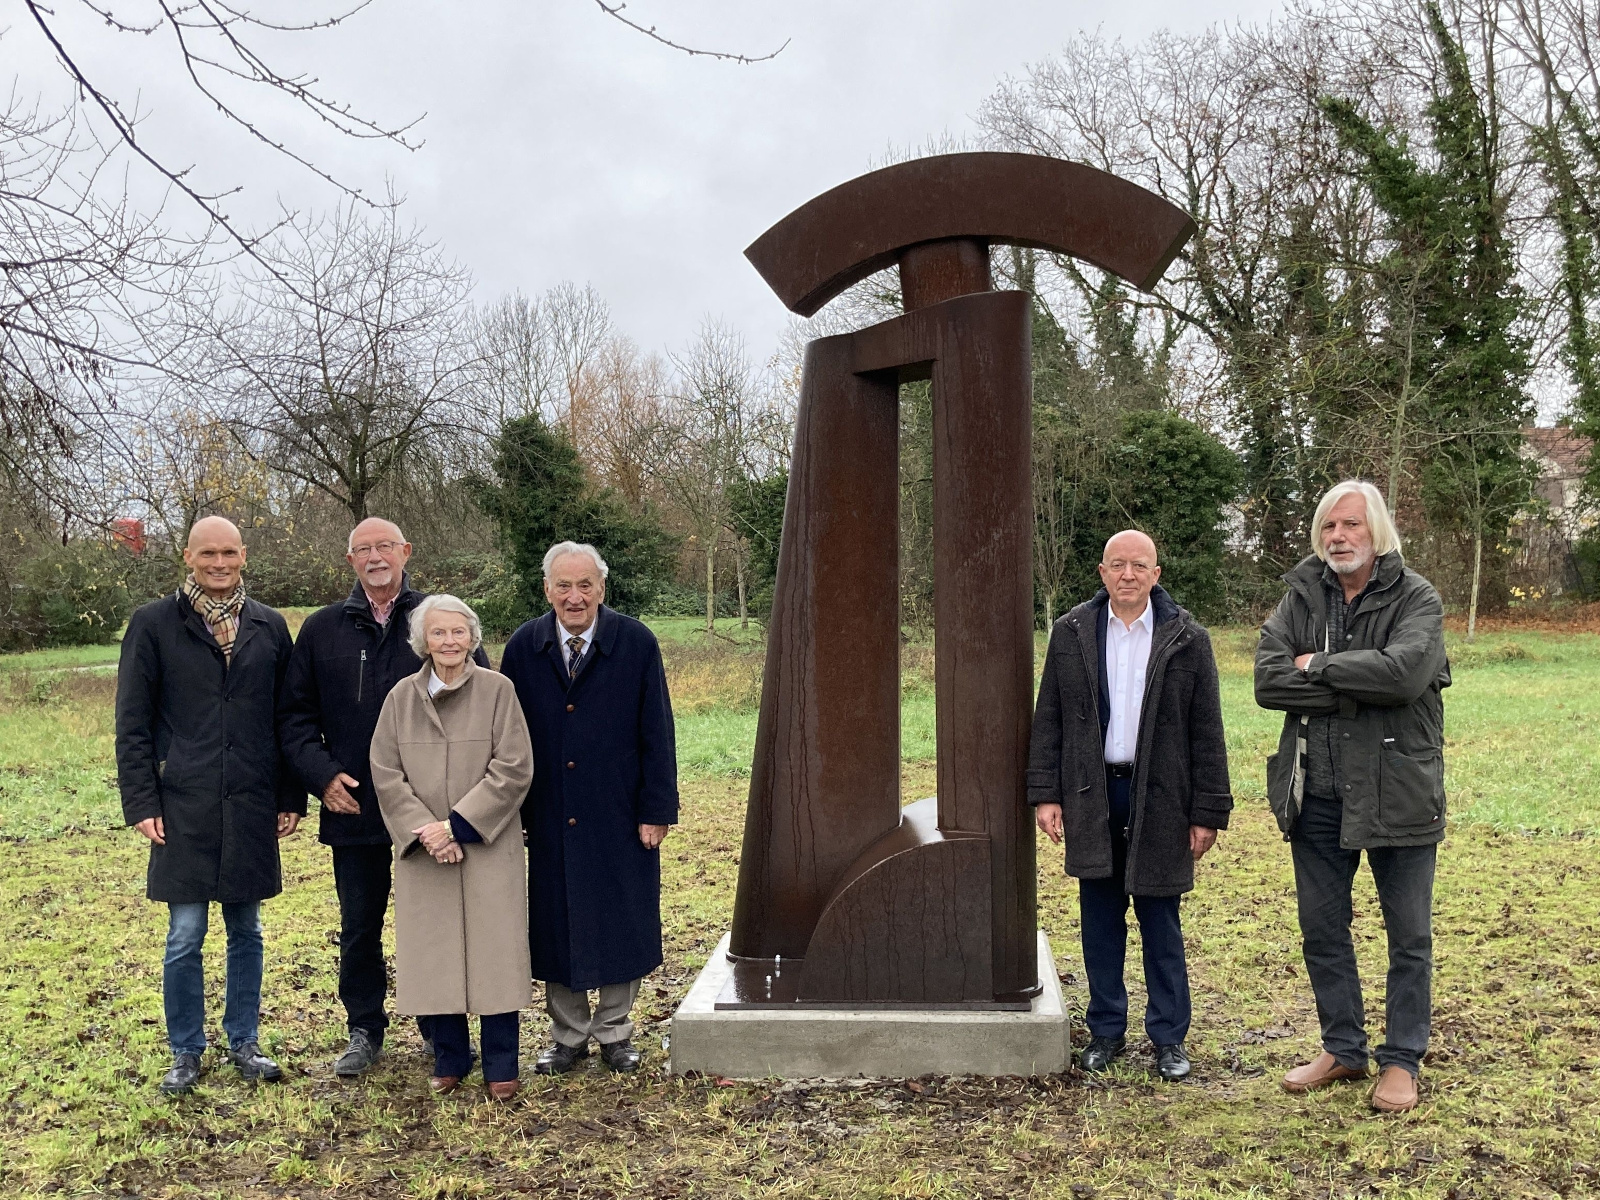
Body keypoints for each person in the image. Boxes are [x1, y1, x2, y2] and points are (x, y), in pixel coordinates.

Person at [1255, 480, 1449, 1115]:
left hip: (1399, 792)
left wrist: (1317, 665)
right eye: (1329, 527)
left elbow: (1406, 674)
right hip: (1315, 791)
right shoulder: (1300, 594)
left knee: (1408, 935)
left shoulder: (1416, 596)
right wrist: (1351, 678)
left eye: (1352, 527)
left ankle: (1401, 1061)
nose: (1339, 537)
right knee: (1322, 929)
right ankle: (1343, 1047)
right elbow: (1267, 680)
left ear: (1377, 532)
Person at [279, 518, 489, 1076]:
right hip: (356, 808)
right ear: (350, 560)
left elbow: (481, 706)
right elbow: (293, 717)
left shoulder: (438, 620)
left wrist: (462, 806)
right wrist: (321, 777)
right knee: (360, 923)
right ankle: (365, 1029)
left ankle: (437, 1026)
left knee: (434, 921)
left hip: (433, 814)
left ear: (406, 552)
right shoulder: (323, 630)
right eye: (363, 549)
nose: (376, 557)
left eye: (385, 547)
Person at [1027, 530, 1232, 1082]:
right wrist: (1046, 793)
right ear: (1101, 573)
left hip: (1162, 796)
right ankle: (1106, 1031)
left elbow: (1206, 731)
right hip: (1094, 793)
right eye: (1117, 565)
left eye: (1139, 565)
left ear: (1156, 574)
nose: (1128, 575)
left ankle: (1168, 1038)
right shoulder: (1071, 633)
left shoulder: (1187, 638)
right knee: (1100, 917)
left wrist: (1208, 811)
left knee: (1160, 917)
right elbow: (1049, 719)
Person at [115, 516, 304, 1095]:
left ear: (243, 555)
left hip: (250, 800)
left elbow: (288, 720)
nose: (218, 564)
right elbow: (133, 723)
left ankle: (244, 1040)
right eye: (207, 554)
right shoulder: (152, 624)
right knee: (185, 933)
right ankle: (186, 1050)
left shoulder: (270, 626)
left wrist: (289, 795)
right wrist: (142, 799)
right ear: (188, 557)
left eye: (228, 553)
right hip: (184, 802)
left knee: (247, 929)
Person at [499, 541, 678, 1075]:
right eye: (563, 585)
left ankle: (616, 1032)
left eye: (585, 586)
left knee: (622, 915)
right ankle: (567, 1034)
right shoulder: (524, 646)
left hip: (619, 809)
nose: (574, 597)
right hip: (548, 810)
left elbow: (658, 732)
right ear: (547, 589)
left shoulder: (636, 642)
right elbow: (507, 738)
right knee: (557, 920)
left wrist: (656, 808)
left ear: (602, 588)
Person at [369, 594, 535, 1099]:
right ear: (423, 641)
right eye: (438, 633)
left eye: (458, 632)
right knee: (435, 954)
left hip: (486, 845)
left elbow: (514, 766)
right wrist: (426, 830)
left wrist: (458, 825)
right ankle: (449, 1059)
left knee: (496, 954)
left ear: (472, 637)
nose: (449, 642)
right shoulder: (400, 697)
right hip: (425, 854)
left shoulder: (498, 690)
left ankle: (502, 1064)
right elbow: (385, 771)